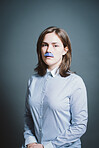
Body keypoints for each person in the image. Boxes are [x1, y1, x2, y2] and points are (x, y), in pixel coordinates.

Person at [24, 26, 88, 148]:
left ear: (65, 50)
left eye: (55, 45)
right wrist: (30, 141)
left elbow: (79, 126)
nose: (49, 50)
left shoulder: (75, 82)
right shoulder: (33, 80)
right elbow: (28, 117)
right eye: (44, 45)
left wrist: (47, 146)